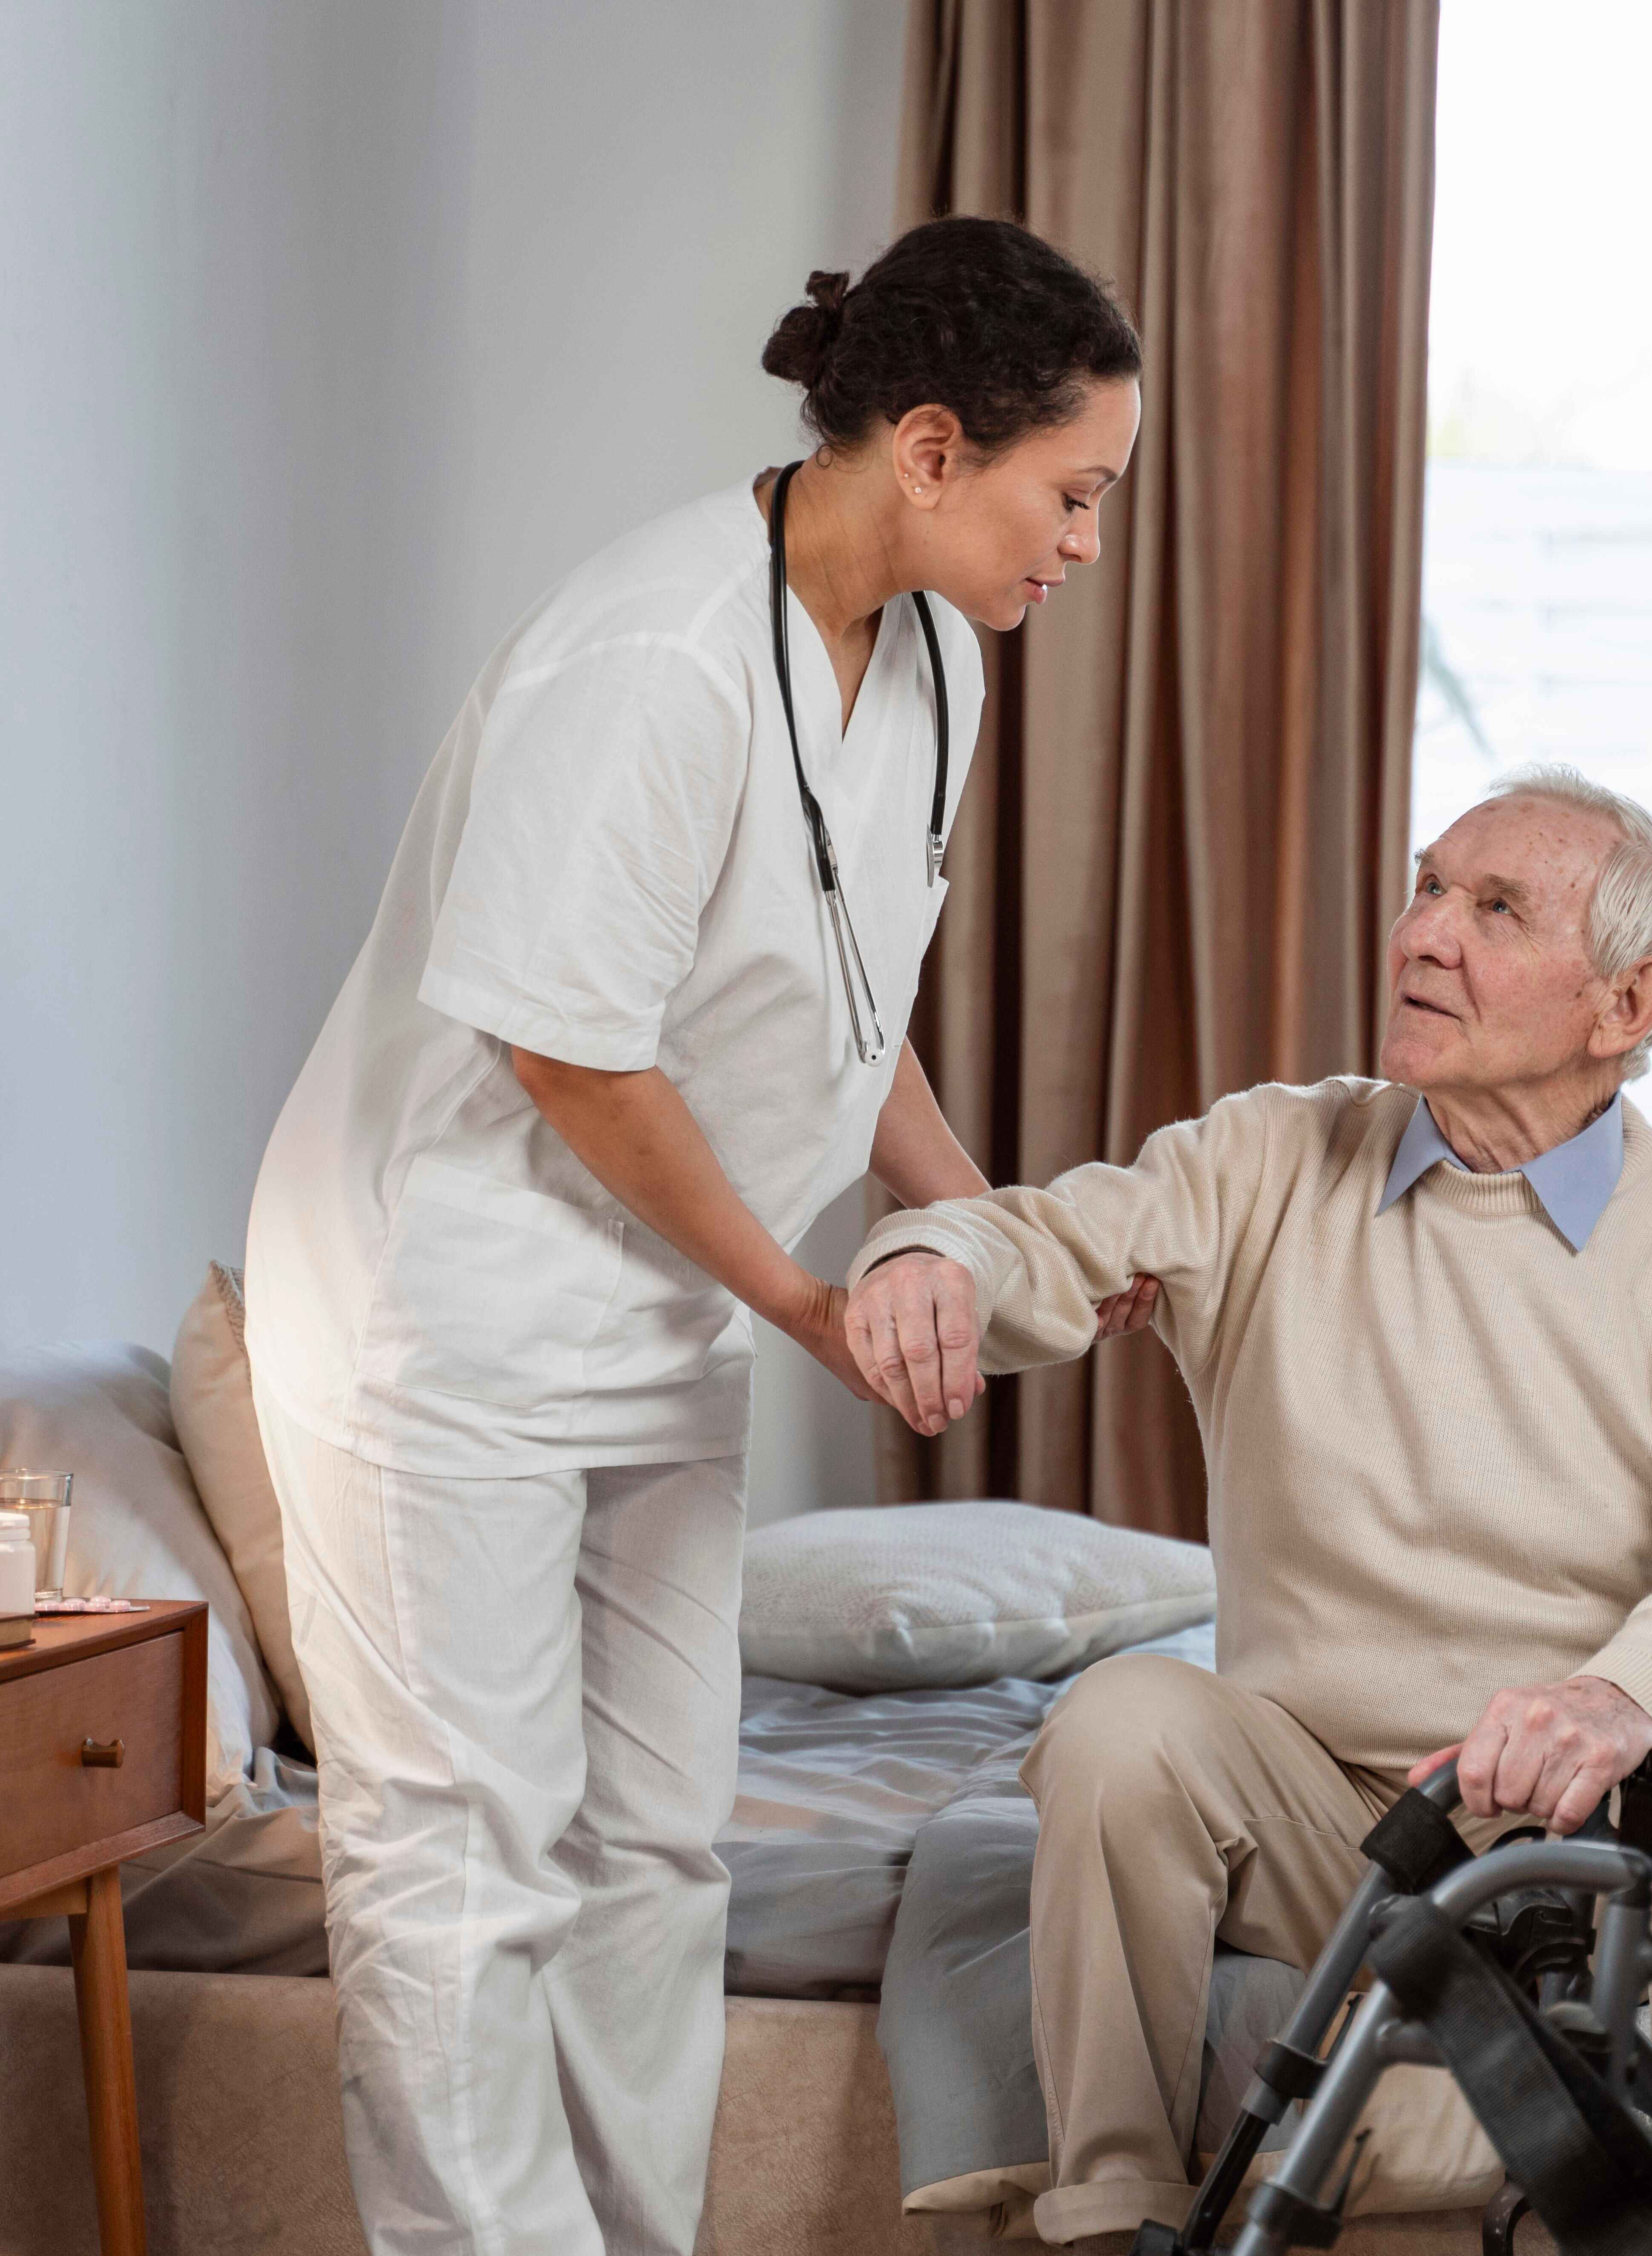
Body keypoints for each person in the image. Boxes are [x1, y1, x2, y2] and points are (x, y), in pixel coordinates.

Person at [240, 216, 1155, 2256]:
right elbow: (572, 1051)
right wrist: (809, 1301)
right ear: (928, 447)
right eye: (1068, 492)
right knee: (457, 1844)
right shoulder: (648, 657)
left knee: (656, 1840)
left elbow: (847, 996)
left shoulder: (933, 660)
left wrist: (992, 1227)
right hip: (447, 1313)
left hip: (667, 1306)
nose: (1084, 544)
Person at [843, 766, 1652, 2248]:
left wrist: (1611, 1697)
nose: (1423, 935)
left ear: (1625, 1004)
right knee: (1121, 1720)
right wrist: (928, 1258)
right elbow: (1053, 1241)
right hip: (1321, 1811)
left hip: (1582, 1828)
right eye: (1427, 887)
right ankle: (1114, 2210)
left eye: (1495, 908)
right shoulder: (1272, 1156)